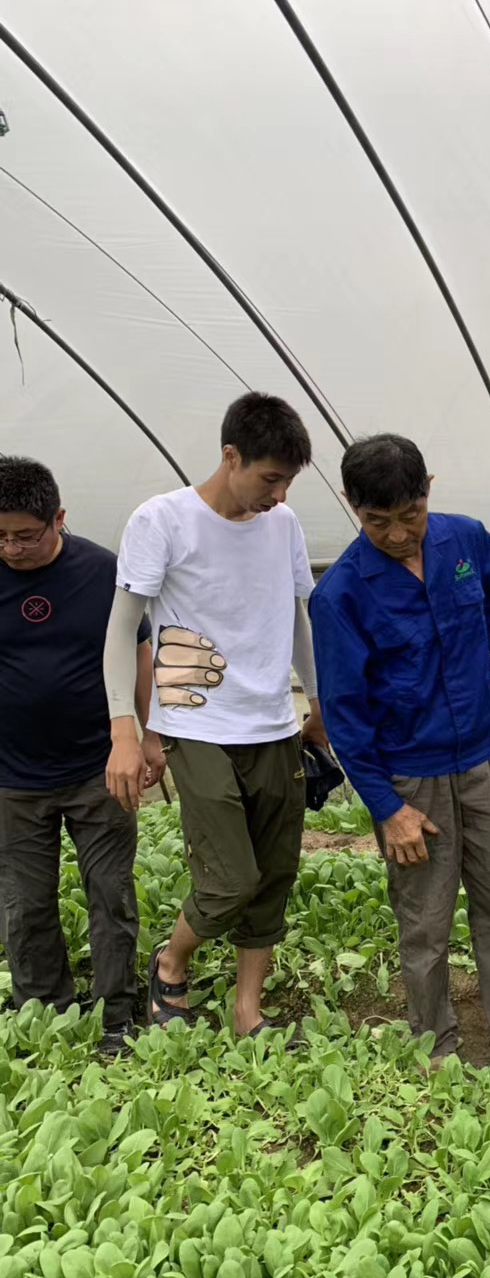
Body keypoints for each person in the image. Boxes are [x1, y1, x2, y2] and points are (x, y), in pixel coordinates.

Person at [309, 434, 490, 1063]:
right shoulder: (341, 595)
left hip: (480, 760)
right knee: (425, 920)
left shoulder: (464, 540)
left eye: (409, 514)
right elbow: (345, 716)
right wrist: (389, 809)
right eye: (376, 521)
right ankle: (434, 1045)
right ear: (352, 505)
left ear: (428, 491)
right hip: (411, 779)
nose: (396, 534)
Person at [103, 392, 326, 1041]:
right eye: (270, 478)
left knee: (274, 874)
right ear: (231, 456)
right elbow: (121, 630)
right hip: (195, 725)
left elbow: (298, 620)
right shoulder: (163, 520)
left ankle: (247, 1009)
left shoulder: (283, 525)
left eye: (288, 482)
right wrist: (124, 729)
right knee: (230, 879)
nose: (279, 495)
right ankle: (171, 961)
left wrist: (319, 703)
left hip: (273, 725)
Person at [0, 456, 161, 1053]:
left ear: (59, 518)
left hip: (99, 767)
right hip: (12, 776)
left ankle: (116, 1013)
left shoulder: (102, 573)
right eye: (0, 536)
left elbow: (140, 653)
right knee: (24, 902)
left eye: (25, 535)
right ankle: (45, 1011)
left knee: (110, 893)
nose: (11, 548)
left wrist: (148, 734)